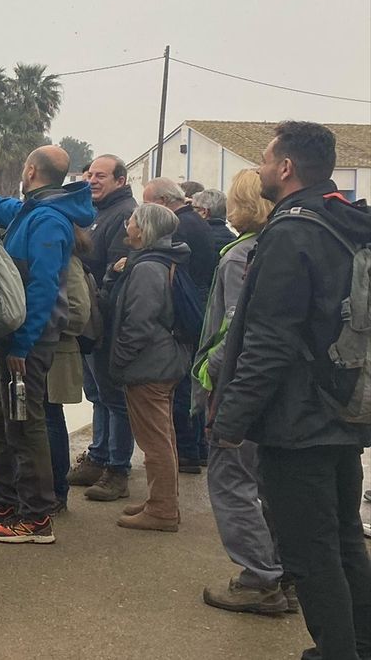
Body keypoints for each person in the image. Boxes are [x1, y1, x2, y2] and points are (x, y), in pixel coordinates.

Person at [211, 121, 371, 659]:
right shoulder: (348, 222)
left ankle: (336, 653)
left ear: (285, 168)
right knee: (346, 541)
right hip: (343, 402)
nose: (258, 169)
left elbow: (269, 341)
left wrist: (229, 421)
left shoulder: (288, 232)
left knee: (309, 552)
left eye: (263, 159)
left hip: (296, 420)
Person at [0, 145, 96, 544]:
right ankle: (3, 498)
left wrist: (22, 345)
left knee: (25, 423)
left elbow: (43, 289)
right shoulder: (33, 210)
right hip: (15, 339)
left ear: (32, 170)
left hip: (30, 342)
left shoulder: (49, 220)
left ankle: (37, 516)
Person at [199, 169, 293, 615]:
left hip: (235, 389)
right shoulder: (279, 246)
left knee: (231, 482)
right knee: (263, 483)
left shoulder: (241, 257)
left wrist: (209, 372)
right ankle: (282, 573)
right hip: (270, 390)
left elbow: (236, 329)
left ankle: (260, 577)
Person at [105, 202, 190, 532]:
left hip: (148, 365)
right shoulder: (161, 261)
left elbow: (138, 323)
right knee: (163, 436)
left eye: (133, 221)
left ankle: (163, 510)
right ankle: (160, 500)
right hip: (164, 360)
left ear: (144, 230)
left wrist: (120, 361)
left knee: (155, 441)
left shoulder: (147, 269)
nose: (128, 224)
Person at [70, 155, 138, 502]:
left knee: (114, 398)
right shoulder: (94, 212)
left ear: (121, 180)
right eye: (90, 174)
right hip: (90, 317)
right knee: (96, 395)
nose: (92, 180)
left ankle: (117, 468)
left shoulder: (124, 214)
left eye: (101, 176)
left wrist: (98, 307)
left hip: (106, 319)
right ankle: (97, 456)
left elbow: (117, 271)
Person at [145, 175, 217, 473]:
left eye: (147, 204)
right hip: (198, 310)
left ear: (162, 203)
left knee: (182, 387)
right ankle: (197, 447)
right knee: (191, 383)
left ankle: (186, 449)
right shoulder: (195, 221)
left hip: (184, 317)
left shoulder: (179, 226)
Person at [45, 228, 97, 511]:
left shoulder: (69, 260)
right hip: (49, 349)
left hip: (58, 350)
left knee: (50, 418)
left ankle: (56, 492)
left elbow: (78, 312)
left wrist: (42, 325)